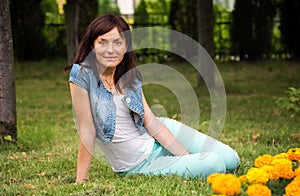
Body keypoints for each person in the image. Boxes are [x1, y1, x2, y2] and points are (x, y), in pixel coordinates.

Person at [65, 13, 240, 183]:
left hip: (157, 134)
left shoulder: (129, 75)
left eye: (118, 42)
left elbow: (150, 120)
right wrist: (81, 180)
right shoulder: (82, 75)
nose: (110, 50)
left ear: (126, 46)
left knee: (231, 160)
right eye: (102, 42)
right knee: (215, 164)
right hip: (139, 165)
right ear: (92, 46)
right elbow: (87, 130)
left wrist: (187, 159)